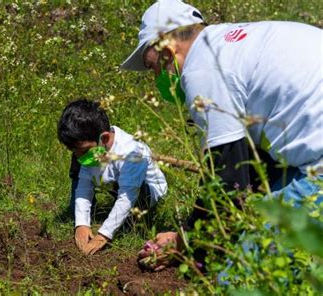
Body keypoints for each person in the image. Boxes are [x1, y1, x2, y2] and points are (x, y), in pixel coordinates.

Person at [121, 0, 322, 269]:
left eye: (152, 66)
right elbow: (250, 167)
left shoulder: (201, 69)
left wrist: (189, 249)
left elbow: (226, 183)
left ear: (167, 52)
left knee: (239, 278)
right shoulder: (233, 45)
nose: (155, 75)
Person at [57, 99, 168, 255]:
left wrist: (103, 235)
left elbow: (126, 197)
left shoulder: (131, 152)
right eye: (73, 150)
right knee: (80, 169)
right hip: (114, 184)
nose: (78, 155)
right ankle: (94, 213)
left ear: (104, 138)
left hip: (146, 191)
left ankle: (134, 220)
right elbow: (83, 185)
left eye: (82, 150)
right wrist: (81, 224)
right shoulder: (92, 151)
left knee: (130, 207)